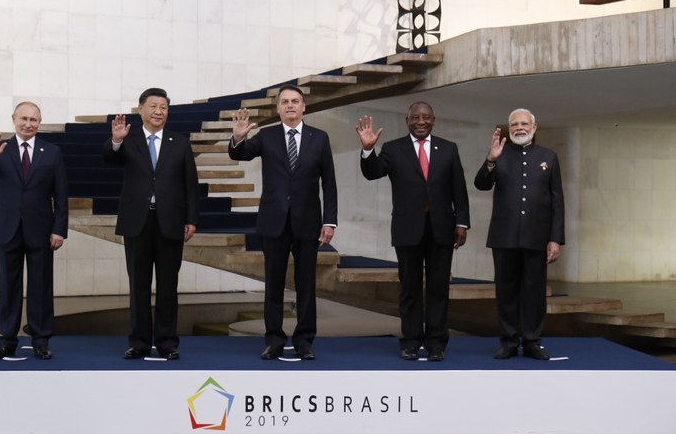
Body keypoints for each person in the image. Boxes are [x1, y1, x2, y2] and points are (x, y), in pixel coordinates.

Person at [229, 85, 338, 360]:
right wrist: (238, 138)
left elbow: (330, 183)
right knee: (273, 285)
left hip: (308, 223)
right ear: (278, 108)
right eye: (285, 102)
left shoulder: (320, 138)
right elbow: (240, 154)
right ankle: (274, 341)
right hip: (273, 222)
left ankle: (304, 342)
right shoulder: (266, 135)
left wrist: (330, 221)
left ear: (304, 107)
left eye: (295, 101)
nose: (290, 105)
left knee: (306, 286)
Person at [357, 102, 470, 361]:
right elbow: (372, 173)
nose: (421, 121)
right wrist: (367, 149)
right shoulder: (393, 149)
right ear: (407, 120)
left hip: (442, 229)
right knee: (409, 289)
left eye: (426, 117)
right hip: (408, 229)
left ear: (434, 120)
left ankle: (436, 344)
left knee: (439, 288)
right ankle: (410, 342)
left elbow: (459, 189)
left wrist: (462, 223)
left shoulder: (449, 149)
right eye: (416, 117)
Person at [103, 87, 199, 360]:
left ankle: (168, 343)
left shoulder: (179, 142)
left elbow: (190, 183)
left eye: (164, 107)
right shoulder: (128, 139)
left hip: (170, 221)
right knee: (139, 286)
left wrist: (192, 218)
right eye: (153, 106)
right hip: (138, 222)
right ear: (141, 110)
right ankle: (140, 342)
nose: (159, 111)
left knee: (168, 286)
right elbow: (108, 158)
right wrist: (116, 140)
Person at [0, 101, 68, 360]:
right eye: (23, 119)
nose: (28, 124)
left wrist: (59, 229)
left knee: (40, 286)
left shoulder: (53, 152)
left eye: (33, 120)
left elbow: (61, 195)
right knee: (8, 285)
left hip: (41, 229)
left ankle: (41, 340)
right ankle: (6, 340)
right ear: (14, 119)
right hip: (7, 228)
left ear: (40, 122)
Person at [474, 108, 565, 361]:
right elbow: (481, 184)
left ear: (534, 128)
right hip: (504, 236)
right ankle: (509, 341)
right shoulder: (499, 154)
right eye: (514, 124)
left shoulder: (549, 156)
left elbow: (557, 200)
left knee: (534, 292)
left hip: (537, 236)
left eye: (524, 123)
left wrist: (555, 238)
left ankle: (533, 341)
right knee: (506, 291)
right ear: (509, 128)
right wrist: (490, 160)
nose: (519, 127)